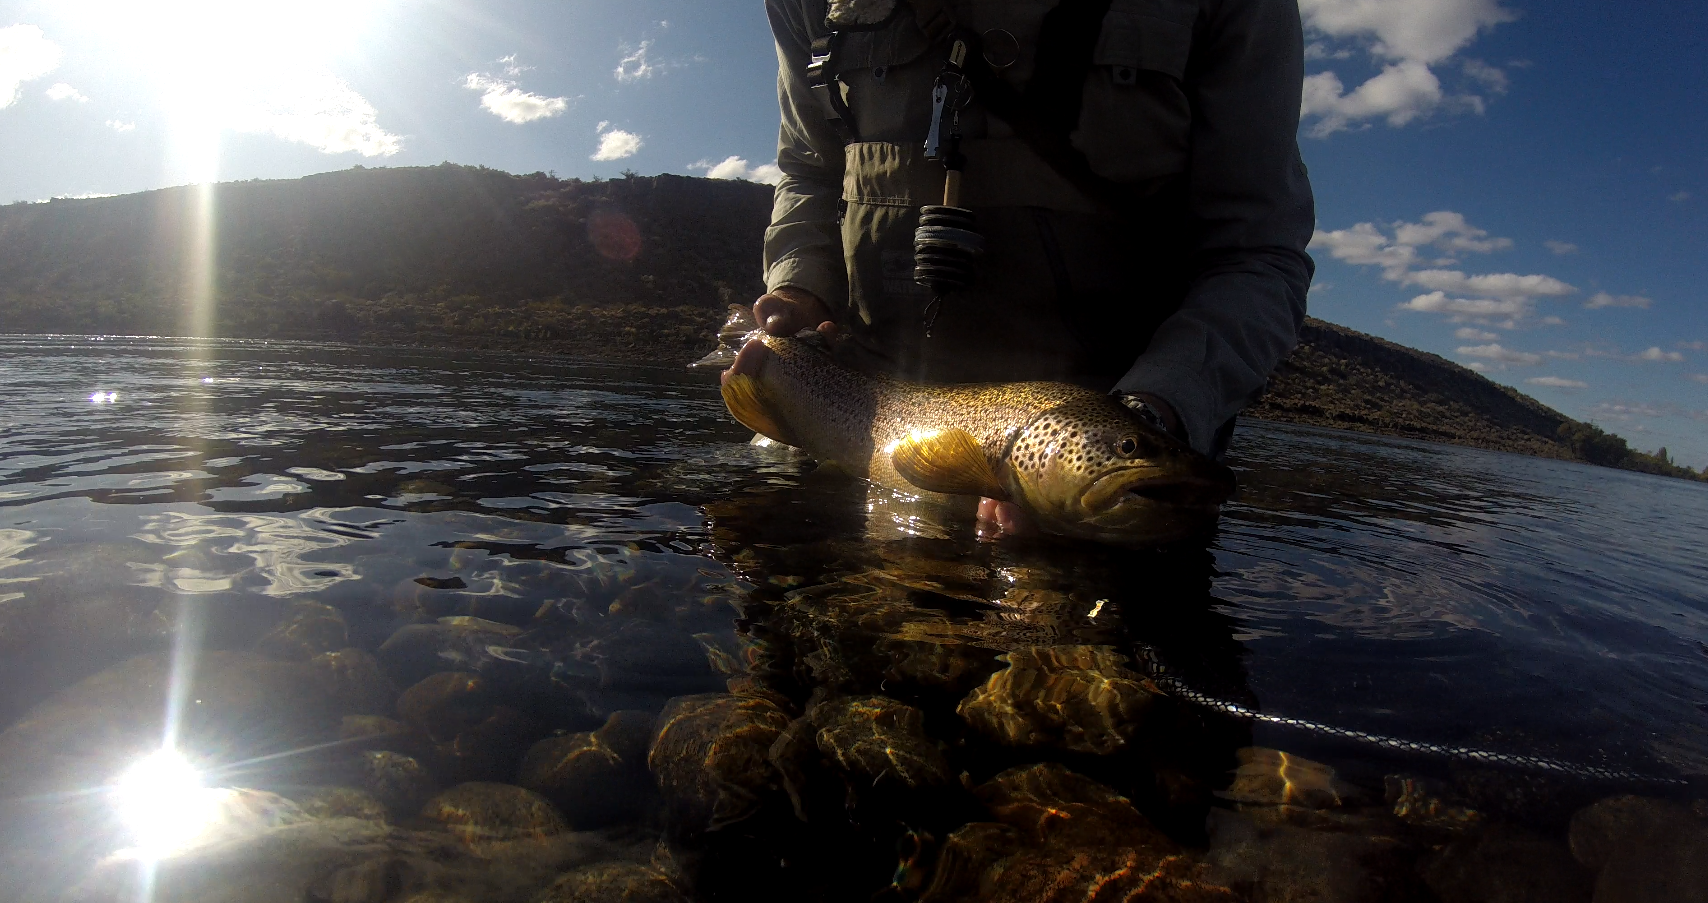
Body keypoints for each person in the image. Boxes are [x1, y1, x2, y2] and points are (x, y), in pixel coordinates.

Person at [729, 0, 1314, 532]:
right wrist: (798, 285)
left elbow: (1254, 252)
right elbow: (811, 171)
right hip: (852, 404)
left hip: (1118, 426)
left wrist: (1155, 414)